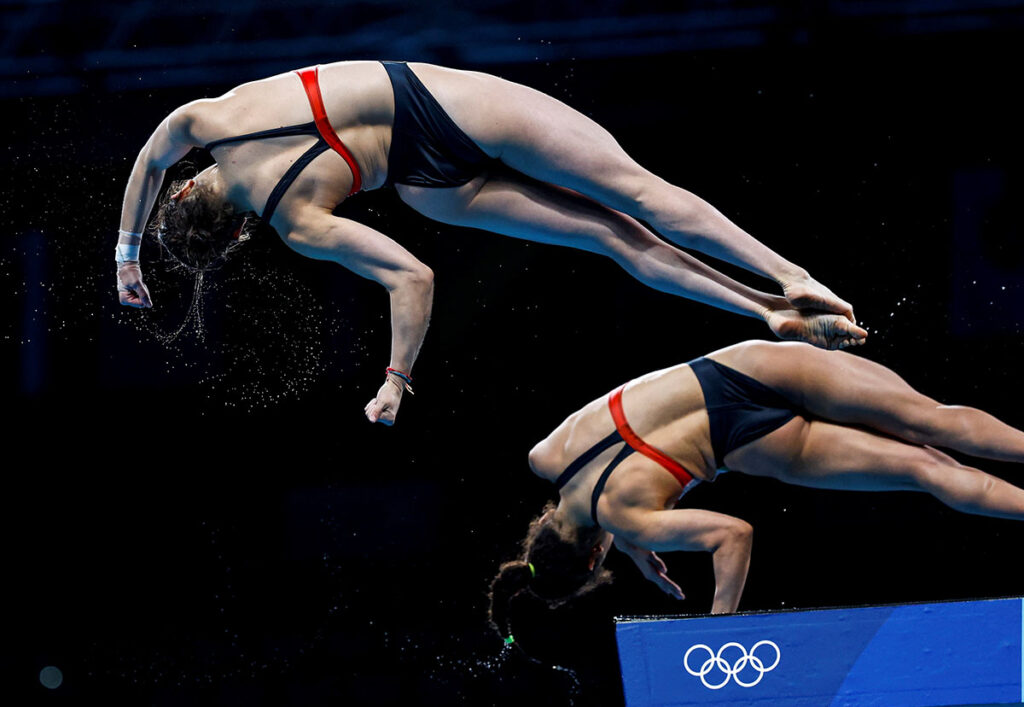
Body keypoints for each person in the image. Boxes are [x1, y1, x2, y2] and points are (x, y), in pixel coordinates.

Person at [115, 60, 867, 425]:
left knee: (613, 238)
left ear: (239, 235)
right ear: (187, 190)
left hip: (423, 183)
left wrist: (395, 381)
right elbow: (147, 159)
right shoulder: (209, 119)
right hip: (447, 108)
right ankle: (786, 274)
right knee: (635, 192)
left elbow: (413, 278)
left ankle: (764, 313)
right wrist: (125, 254)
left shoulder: (295, 225)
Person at [488, 340, 1024, 645]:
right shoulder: (546, 455)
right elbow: (605, 480)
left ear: (589, 560)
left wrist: (720, 630)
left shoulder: (628, 519)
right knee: (935, 421)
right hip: (742, 368)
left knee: (924, 469)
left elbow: (733, 535)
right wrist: (627, 537)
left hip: (746, 441)